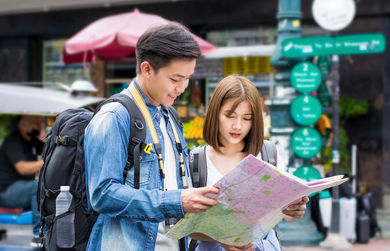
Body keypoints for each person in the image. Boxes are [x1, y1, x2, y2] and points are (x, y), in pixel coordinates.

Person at [84, 22, 220, 251]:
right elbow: (102, 193)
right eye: (175, 79)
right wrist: (176, 201)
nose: (183, 88)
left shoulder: (170, 117)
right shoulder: (115, 116)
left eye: (188, 78)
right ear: (147, 69)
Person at [190, 75, 309, 251]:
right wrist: (223, 238)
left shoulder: (269, 155)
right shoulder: (196, 160)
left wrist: (295, 212)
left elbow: (283, 216)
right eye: (230, 116)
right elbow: (186, 227)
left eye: (247, 118)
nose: (237, 126)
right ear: (214, 113)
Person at [0, 115, 46, 248]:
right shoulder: (14, 141)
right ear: (23, 124)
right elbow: (22, 168)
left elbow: (48, 149)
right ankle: (38, 235)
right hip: (6, 191)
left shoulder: (30, 141)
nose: (38, 126)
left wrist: (42, 135)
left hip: (17, 188)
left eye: (40, 123)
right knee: (38, 186)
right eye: (35, 123)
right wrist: (46, 162)